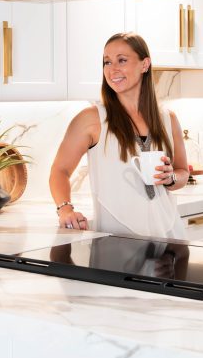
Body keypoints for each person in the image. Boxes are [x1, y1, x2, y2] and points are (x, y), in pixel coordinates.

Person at [50, 32, 188, 238]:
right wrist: (65, 209)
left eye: (122, 60)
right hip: (115, 241)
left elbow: (182, 172)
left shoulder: (168, 119)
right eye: (107, 62)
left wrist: (171, 178)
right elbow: (59, 171)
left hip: (170, 234)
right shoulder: (92, 119)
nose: (112, 69)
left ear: (145, 64)